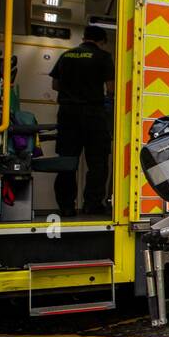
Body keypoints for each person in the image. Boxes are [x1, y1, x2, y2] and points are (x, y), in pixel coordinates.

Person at [50, 24, 114, 218]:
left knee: (67, 161)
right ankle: (92, 204)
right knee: (97, 162)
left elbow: (55, 84)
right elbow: (110, 88)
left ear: (84, 37)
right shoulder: (103, 57)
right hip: (94, 114)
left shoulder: (66, 55)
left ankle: (66, 206)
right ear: (101, 41)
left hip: (68, 114)